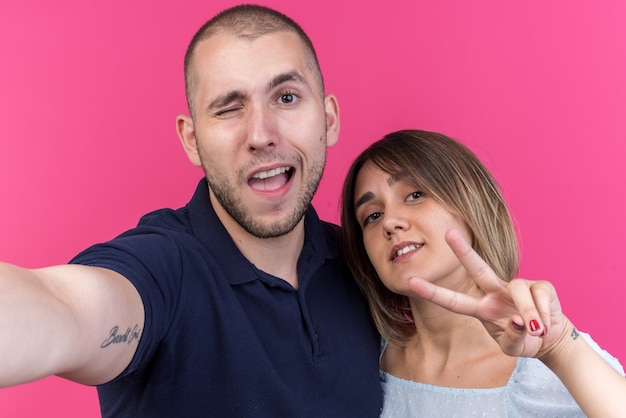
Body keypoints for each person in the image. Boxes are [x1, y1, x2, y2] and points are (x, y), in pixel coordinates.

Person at [0, 5, 383, 417]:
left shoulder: (368, 263)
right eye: (229, 108)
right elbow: (69, 308)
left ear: (327, 120)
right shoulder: (164, 267)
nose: (260, 135)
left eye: (286, 98)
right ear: (191, 139)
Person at [340, 129, 626, 417]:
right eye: (372, 216)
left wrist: (561, 346)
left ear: (470, 204)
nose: (389, 222)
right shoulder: (364, 359)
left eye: (415, 195)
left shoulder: (542, 366)